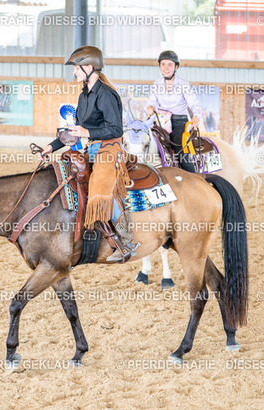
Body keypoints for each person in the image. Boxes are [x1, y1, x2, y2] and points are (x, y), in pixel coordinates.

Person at [41, 45, 139, 262]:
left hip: (109, 149)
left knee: (100, 189)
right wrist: (51, 146)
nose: (74, 71)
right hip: (92, 148)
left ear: (89, 67)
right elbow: (75, 130)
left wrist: (88, 132)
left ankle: (127, 241)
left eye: (76, 68)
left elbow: (116, 129)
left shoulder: (106, 94)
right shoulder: (84, 95)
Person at [145, 50, 203, 173]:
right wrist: (150, 107)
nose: (166, 68)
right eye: (163, 64)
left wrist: (196, 117)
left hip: (179, 123)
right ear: (160, 67)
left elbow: (194, 104)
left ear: (176, 67)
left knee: (180, 150)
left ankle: (194, 176)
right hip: (161, 123)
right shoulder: (157, 84)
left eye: (170, 65)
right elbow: (151, 101)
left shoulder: (183, 84)